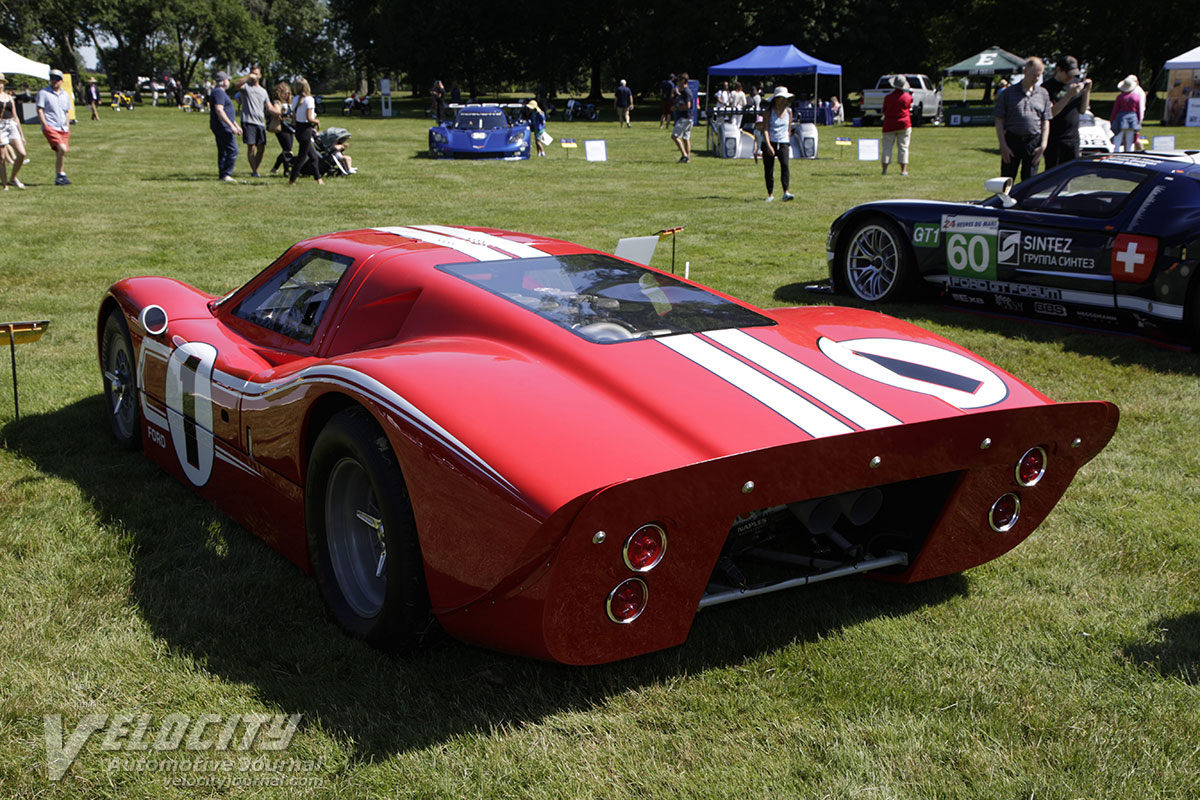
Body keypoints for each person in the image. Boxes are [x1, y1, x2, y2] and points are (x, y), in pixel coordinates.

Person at [994, 57, 1051, 182]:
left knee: (1030, 182)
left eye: (1039, 75)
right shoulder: (1008, 93)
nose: (1036, 78)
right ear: (1025, 71)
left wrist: (1043, 145)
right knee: (1006, 180)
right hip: (1012, 140)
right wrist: (1003, 145)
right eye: (1033, 74)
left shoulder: (1043, 93)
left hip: (1033, 142)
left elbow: (1045, 121)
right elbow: (999, 120)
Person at [1041, 56, 1092, 170]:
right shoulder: (1047, 88)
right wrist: (1069, 95)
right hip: (1055, 139)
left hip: (1073, 138)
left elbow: (1082, 110)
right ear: (1059, 69)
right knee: (1053, 172)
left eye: (1073, 74)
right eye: (1068, 73)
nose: (1070, 77)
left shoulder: (1076, 84)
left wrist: (1086, 92)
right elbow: (1051, 113)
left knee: (1071, 172)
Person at [36, 69, 72, 186]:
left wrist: (67, 126)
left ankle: (60, 175)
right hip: (51, 126)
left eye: (57, 79)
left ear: (61, 81)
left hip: (63, 128)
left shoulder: (65, 94)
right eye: (52, 78)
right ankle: (60, 174)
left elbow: (66, 112)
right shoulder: (43, 93)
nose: (54, 81)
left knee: (60, 152)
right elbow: (40, 109)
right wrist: (45, 125)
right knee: (62, 149)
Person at [233, 66, 271, 177]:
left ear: (260, 76)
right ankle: (254, 171)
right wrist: (248, 77)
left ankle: (255, 169)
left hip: (260, 122)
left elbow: (269, 107)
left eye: (256, 74)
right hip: (248, 121)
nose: (254, 76)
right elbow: (236, 85)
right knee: (251, 147)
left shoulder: (263, 91)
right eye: (253, 73)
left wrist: (278, 113)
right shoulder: (245, 87)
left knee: (261, 148)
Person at [761, 86, 794, 202]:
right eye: (781, 98)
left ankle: (786, 192)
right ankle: (770, 193)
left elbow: (789, 128)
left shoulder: (789, 111)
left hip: (783, 141)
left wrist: (788, 141)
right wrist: (768, 145)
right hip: (770, 141)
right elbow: (765, 129)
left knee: (785, 166)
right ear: (776, 99)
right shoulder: (768, 112)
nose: (783, 101)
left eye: (785, 98)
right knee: (769, 169)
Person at [208, 71, 241, 182]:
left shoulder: (220, 92)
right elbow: (219, 110)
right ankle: (226, 174)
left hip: (223, 125)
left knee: (224, 151)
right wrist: (231, 126)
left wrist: (235, 124)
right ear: (223, 82)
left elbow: (227, 112)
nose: (229, 82)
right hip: (222, 126)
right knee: (233, 150)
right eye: (228, 80)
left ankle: (223, 174)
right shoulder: (219, 92)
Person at [289, 78, 323, 186]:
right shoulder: (309, 100)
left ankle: (318, 179)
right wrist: (317, 121)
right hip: (306, 129)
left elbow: (294, 116)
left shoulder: (295, 99)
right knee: (302, 157)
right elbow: (309, 118)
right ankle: (292, 179)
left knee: (313, 157)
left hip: (298, 129)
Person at [881, 75, 912, 176]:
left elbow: (884, 110)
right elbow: (909, 107)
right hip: (904, 124)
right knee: (904, 147)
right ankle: (903, 170)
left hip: (889, 124)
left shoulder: (888, 97)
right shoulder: (908, 97)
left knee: (887, 147)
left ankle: (884, 170)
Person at [0, 74, 27, 189]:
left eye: (1, 82)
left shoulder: (9, 97)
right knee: (1, 158)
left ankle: (13, 178)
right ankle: (5, 185)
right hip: (0, 126)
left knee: (22, 153)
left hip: (11, 124)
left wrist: (21, 134)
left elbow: (15, 116)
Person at [1111, 75, 1144, 153]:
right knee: (1130, 140)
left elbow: (1115, 110)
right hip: (1132, 120)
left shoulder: (1119, 97)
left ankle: (1116, 153)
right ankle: (1130, 153)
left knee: (1118, 139)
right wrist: (1139, 120)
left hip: (1121, 119)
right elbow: (1139, 110)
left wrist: (1112, 119)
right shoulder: (1136, 97)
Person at [269, 80, 294, 174]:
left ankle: (275, 168)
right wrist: (283, 114)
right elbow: (277, 112)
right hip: (281, 127)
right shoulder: (277, 102)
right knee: (288, 150)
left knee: (287, 149)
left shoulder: (289, 102)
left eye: (288, 93)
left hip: (290, 127)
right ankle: (286, 170)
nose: (287, 95)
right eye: (285, 93)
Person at [670, 73, 693, 163]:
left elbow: (688, 106)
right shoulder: (683, 91)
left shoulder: (686, 91)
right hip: (688, 117)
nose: (677, 82)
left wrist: (676, 108)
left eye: (678, 80)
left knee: (674, 136)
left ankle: (684, 155)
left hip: (684, 117)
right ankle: (688, 158)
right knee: (685, 138)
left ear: (683, 81)